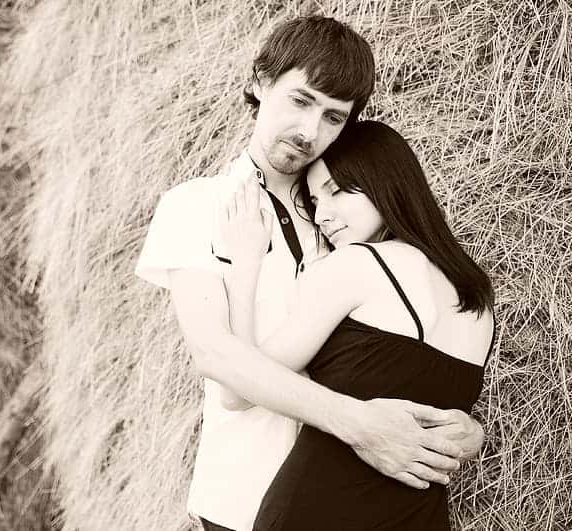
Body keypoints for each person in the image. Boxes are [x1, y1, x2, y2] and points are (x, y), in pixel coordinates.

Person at [135, 16, 485, 531]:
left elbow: (384, 352)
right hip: (244, 497)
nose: (310, 132)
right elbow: (216, 354)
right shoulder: (197, 205)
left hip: (352, 499)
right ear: (260, 81)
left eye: (333, 117)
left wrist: (458, 427)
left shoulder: (345, 214)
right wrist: (359, 424)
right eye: (301, 101)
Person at [217, 120, 495, 530]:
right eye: (313, 202)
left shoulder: (358, 264)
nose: (323, 216)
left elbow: (238, 389)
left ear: (385, 181)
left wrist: (244, 266)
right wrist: (475, 433)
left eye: (337, 191)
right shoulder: (477, 299)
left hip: (317, 512)